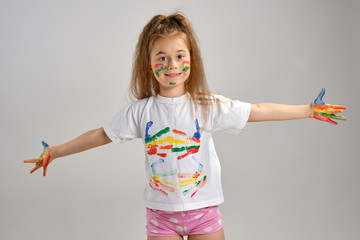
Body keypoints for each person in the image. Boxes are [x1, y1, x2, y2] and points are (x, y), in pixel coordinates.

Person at [24, 13, 346, 240]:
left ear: (191, 59)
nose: (172, 65)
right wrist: (55, 151)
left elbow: (257, 111)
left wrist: (307, 109)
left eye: (180, 55)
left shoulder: (205, 105)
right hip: (161, 218)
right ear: (149, 64)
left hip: (204, 212)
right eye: (162, 57)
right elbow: (99, 135)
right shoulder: (141, 112)